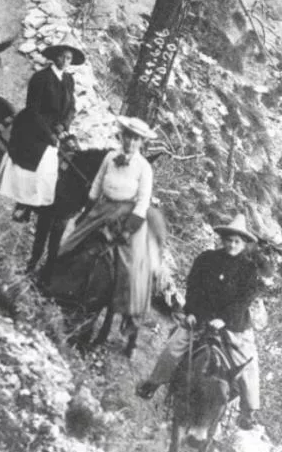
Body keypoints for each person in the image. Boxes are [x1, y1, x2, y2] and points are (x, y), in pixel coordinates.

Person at [137, 215, 269, 430]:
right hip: (201, 318)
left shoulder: (249, 270)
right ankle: (153, 383)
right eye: (229, 240)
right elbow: (194, 288)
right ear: (222, 239)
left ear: (244, 244)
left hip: (233, 323)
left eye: (237, 241)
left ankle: (249, 411)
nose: (232, 245)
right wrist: (191, 312)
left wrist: (223, 320)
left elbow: (244, 300)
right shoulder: (206, 259)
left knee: (248, 361)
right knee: (174, 348)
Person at [56, 116, 164, 321]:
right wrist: (87, 211)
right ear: (122, 136)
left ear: (142, 143)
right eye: (128, 137)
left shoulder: (144, 167)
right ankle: (57, 286)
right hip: (102, 208)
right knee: (71, 241)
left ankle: (127, 310)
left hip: (126, 214)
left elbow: (143, 201)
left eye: (136, 139)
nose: (130, 142)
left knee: (128, 264)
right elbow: (97, 183)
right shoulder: (110, 157)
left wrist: (128, 229)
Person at [0, 39, 84, 226]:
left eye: (69, 58)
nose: (66, 61)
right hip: (33, 125)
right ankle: (23, 203)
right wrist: (49, 134)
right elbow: (33, 109)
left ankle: (47, 204)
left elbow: (71, 107)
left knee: (71, 158)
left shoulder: (68, 80)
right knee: (41, 160)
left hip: (57, 127)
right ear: (54, 57)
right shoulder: (41, 78)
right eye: (63, 57)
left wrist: (64, 126)